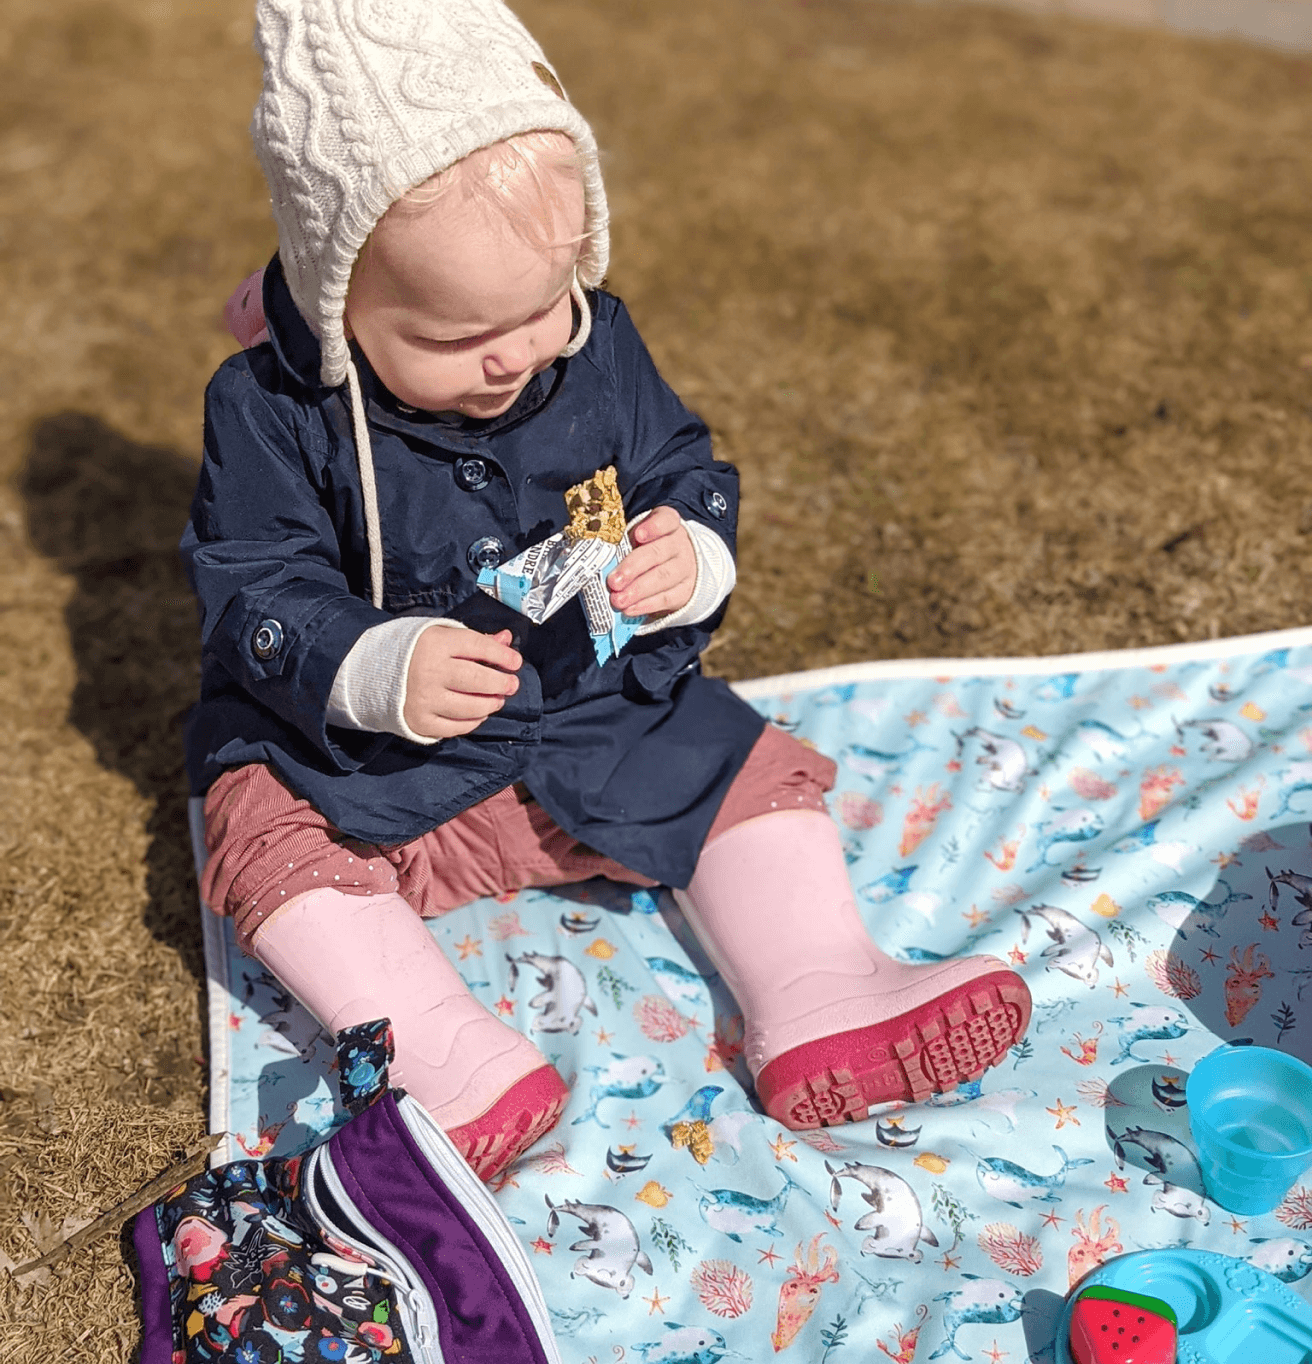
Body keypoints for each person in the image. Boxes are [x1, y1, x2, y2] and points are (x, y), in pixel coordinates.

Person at [186, 0, 1032, 1181]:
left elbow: (684, 463)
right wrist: (373, 665)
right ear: (339, 299)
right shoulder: (271, 410)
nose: (514, 353)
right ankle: (439, 1055)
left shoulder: (594, 343)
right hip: (389, 776)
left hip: (593, 715)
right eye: (454, 332)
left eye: (543, 306)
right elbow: (251, 583)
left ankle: (819, 987)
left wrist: (690, 547)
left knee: (747, 768)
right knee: (258, 829)